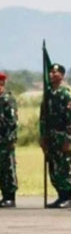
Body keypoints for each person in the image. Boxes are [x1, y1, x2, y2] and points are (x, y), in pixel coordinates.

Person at [39, 63, 71, 209]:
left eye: (55, 72)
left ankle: (68, 197)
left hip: (62, 135)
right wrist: (42, 136)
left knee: (64, 166)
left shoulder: (65, 94)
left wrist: (68, 139)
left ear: (62, 75)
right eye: (51, 72)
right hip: (51, 135)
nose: (52, 75)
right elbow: (43, 117)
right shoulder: (48, 94)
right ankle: (60, 195)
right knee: (53, 166)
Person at [0, 72, 18, 208]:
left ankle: (9, 197)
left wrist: (10, 140)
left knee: (7, 168)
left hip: (5, 140)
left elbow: (12, 122)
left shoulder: (7, 100)